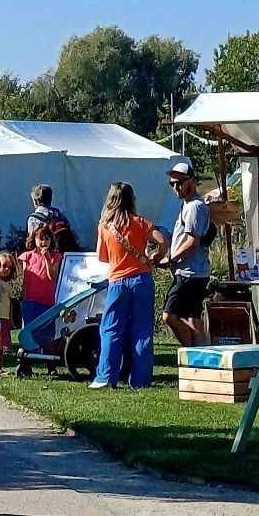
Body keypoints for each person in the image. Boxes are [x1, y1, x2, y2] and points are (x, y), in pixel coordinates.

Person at [92, 181, 166, 390]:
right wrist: (153, 258)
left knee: (111, 330)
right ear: (132, 199)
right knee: (142, 331)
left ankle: (106, 377)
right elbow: (162, 241)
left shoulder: (105, 226)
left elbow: (102, 257)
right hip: (141, 279)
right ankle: (140, 380)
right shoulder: (141, 222)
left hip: (117, 281)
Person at [161, 158, 214, 349]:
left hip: (189, 272)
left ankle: (192, 353)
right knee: (193, 318)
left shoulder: (194, 207)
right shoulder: (190, 204)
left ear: (192, 181)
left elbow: (192, 242)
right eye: (172, 184)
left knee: (169, 315)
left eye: (180, 182)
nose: (176, 188)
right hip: (194, 271)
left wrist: (170, 258)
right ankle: (202, 359)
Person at [19, 221, 61, 333]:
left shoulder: (55, 257)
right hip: (31, 300)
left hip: (48, 300)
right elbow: (25, 278)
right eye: (40, 239)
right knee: (30, 329)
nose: (44, 242)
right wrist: (25, 297)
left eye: (47, 239)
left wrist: (47, 259)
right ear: (34, 239)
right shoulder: (27, 256)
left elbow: (53, 277)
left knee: (46, 330)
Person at [0, 250, 22, 361]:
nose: (7, 269)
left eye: (10, 267)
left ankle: (5, 350)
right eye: (4, 266)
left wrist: (11, 318)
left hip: (5, 315)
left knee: (5, 333)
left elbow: (10, 302)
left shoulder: (7, 286)